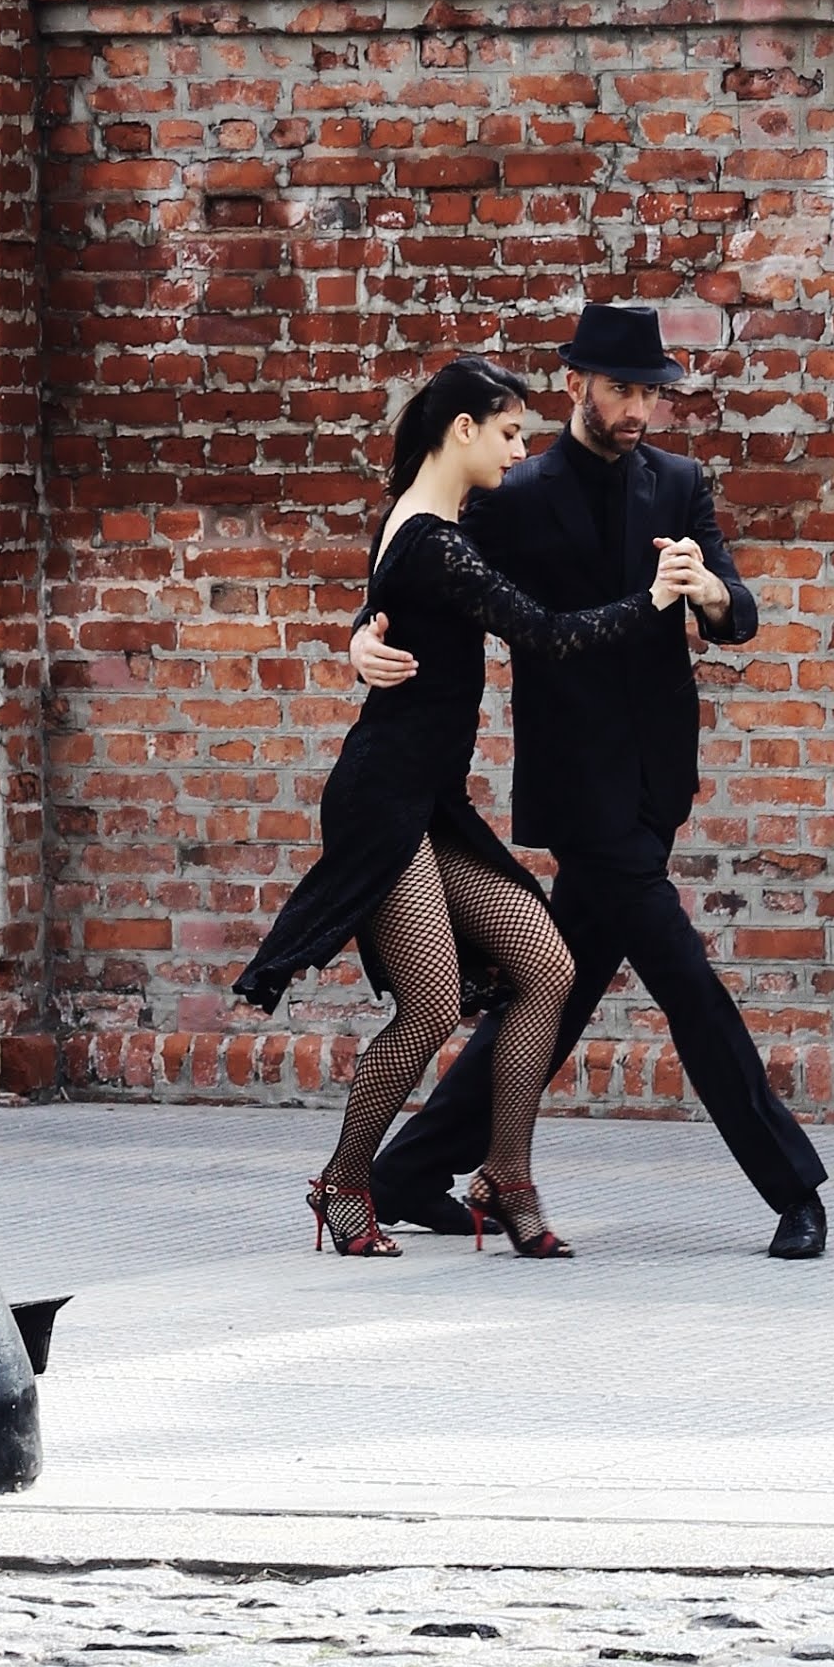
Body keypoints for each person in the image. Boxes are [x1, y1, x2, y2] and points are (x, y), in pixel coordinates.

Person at [350, 305, 831, 1260]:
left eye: (652, 391)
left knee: (553, 990)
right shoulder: (514, 490)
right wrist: (362, 633)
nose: (640, 408)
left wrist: (710, 593)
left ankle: (407, 1170)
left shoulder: (680, 484)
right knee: (687, 984)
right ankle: (793, 1187)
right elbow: (416, 558)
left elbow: (740, 617)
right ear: (577, 385)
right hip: (579, 782)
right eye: (622, 389)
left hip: (659, 777)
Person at [235, 353, 689, 1261]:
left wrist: (357, 633)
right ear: (465, 430)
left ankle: (503, 1173)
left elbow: (381, 599)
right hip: (384, 800)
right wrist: (653, 600)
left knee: (544, 968)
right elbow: (551, 636)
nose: (523, 451)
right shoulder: (436, 542)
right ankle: (343, 1181)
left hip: (427, 797)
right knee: (431, 1006)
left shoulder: (424, 517)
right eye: (512, 433)